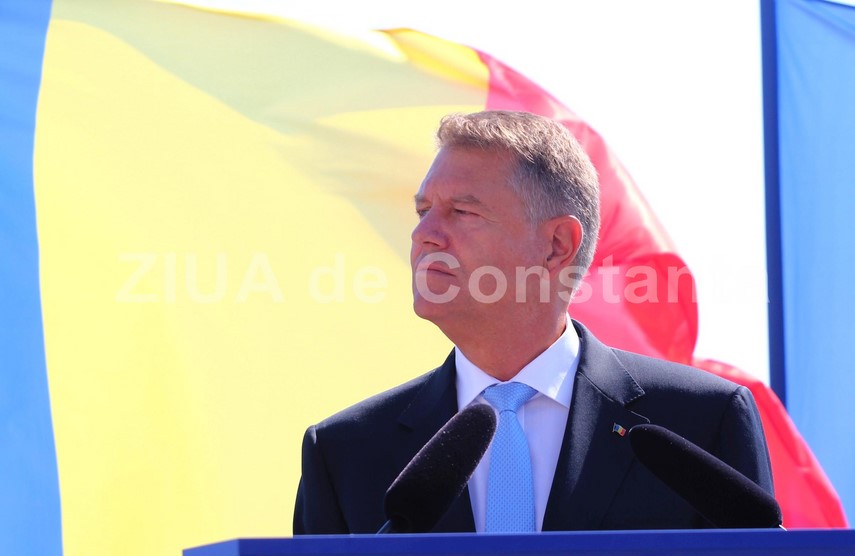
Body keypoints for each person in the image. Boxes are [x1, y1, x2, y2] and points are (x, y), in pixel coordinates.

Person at [292, 110, 773, 534]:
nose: (424, 235)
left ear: (557, 245)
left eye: (461, 211)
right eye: (423, 211)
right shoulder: (343, 452)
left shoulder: (702, 422)